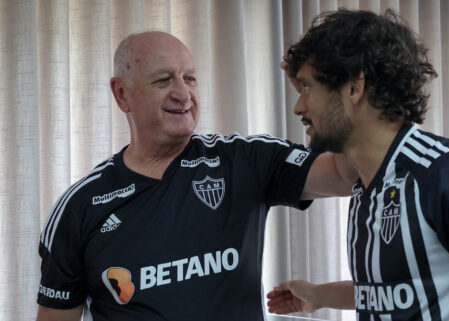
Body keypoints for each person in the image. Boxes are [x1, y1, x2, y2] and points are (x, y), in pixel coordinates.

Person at [36, 31, 357, 321]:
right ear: (122, 94)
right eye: (163, 80)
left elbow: (345, 176)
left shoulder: (245, 159)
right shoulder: (79, 207)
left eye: (190, 78)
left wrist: (331, 97)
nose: (183, 94)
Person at [266, 9, 449, 321]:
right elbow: (399, 290)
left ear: (353, 88)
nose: (298, 106)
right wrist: (320, 295)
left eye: (307, 87)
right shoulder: (367, 185)